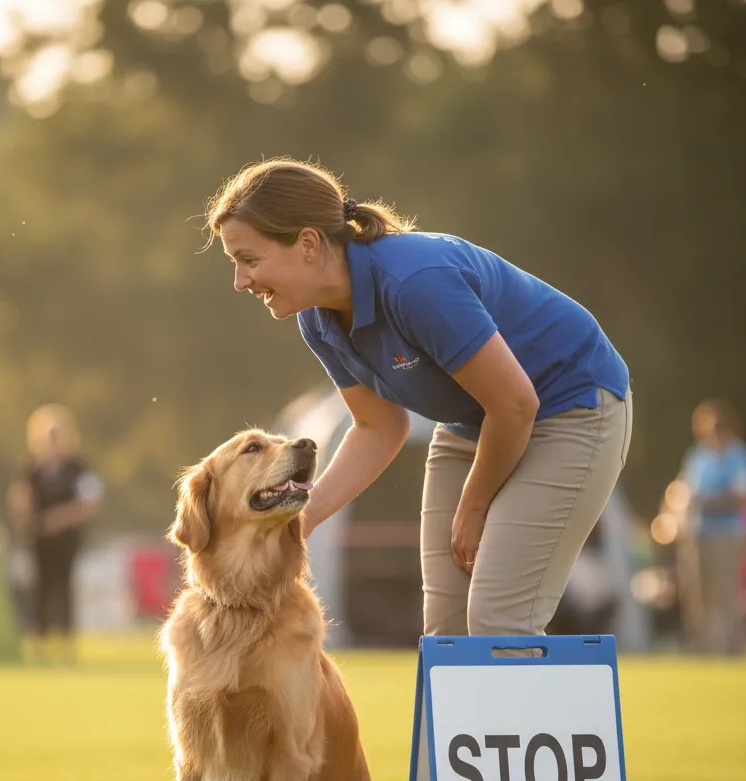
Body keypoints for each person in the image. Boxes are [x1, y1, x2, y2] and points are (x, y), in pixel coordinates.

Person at [205, 158, 633, 640]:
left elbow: (516, 404)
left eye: (249, 259)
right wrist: (300, 520)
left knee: (498, 621)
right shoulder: (317, 318)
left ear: (307, 244)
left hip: (570, 410)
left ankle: (534, 720)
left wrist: (473, 507)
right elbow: (379, 427)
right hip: (477, 424)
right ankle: (463, 720)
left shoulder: (414, 283)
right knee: (446, 629)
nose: (241, 281)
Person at [8, 404, 104, 662]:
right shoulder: (31, 469)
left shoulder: (78, 469)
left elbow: (90, 503)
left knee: (63, 587)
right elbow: (20, 499)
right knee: (39, 588)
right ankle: (38, 643)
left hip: (67, 540)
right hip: (38, 540)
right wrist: (27, 513)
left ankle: (65, 642)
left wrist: (61, 518)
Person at [674, 400, 746, 655]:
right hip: (699, 532)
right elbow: (684, 491)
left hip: (728, 533)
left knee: (728, 592)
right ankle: (704, 648)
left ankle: (734, 649)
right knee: (700, 593)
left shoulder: (740, 456)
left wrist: (709, 501)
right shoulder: (698, 456)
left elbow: (743, 495)